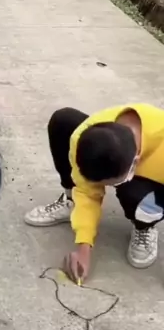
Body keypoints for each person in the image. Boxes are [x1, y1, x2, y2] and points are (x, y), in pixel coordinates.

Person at [25, 104, 164, 283]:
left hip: (154, 177)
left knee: (134, 194)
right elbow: (87, 193)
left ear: (135, 164)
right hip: (122, 158)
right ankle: (71, 201)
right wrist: (83, 248)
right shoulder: (82, 136)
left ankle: (144, 226)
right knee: (64, 121)